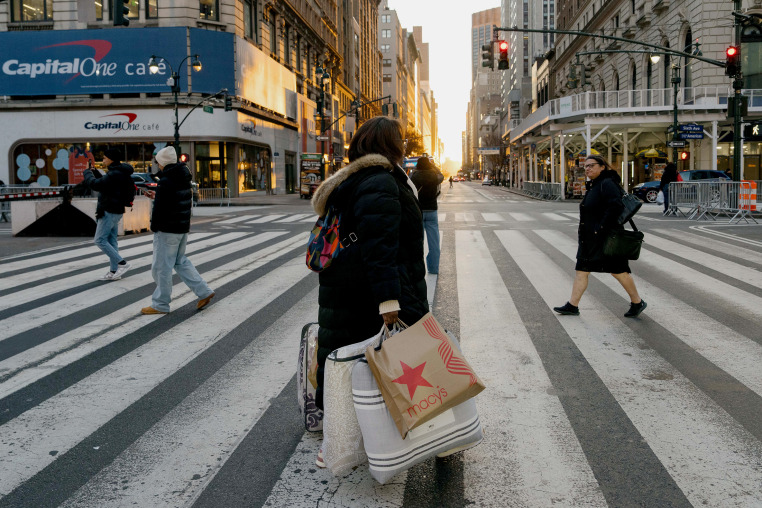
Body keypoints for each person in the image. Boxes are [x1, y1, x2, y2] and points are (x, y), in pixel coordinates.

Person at [311, 116, 429, 467]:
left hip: (349, 288)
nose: (405, 146)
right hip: (370, 292)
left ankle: (353, 432)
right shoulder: (380, 181)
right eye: (400, 140)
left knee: (352, 359)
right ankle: (339, 442)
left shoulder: (358, 179)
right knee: (365, 363)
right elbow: (381, 247)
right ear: (388, 145)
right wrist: (389, 300)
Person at [553, 155, 647, 318]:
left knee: (618, 271)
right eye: (586, 166)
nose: (588, 169)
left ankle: (637, 302)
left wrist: (600, 228)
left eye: (591, 165)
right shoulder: (596, 184)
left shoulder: (607, 184)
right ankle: (572, 305)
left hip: (605, 237)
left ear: (602, 167)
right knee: (582, 270)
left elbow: (615, 207)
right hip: (590, 238)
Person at [140, 147, 215, 315]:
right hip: (180, 226)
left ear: (163, 162)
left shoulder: (166, 180)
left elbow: (160, 208)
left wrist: (154, 226)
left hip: (167, 228)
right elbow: (175, 198)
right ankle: (204, 291)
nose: (157, 165)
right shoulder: (181, 177)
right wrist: (157, 194)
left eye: (158, 162)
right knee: (180, 262)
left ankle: (160, 304)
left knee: (161, 267)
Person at [82, 147, 134, 281]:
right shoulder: (120, 171)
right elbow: (107, 184)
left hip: (108, 210)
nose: (103, 159)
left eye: (105, 157)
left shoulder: (114, 173)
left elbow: (95, 185)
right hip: (116, 210)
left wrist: (87, 173)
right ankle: (114, 271)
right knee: (111, 241)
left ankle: (122, 263)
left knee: (99, 240)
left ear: (111, 159)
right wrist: (95, 173)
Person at [410, 156, 444, 274]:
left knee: (418, 242)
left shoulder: (414, 176)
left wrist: (415, 169)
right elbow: (441, 175)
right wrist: (433, 166)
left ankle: (418, 269)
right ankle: (434, 268)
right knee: (434, 242)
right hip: (432, 210)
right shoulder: (434, 176)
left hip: (418, 211)